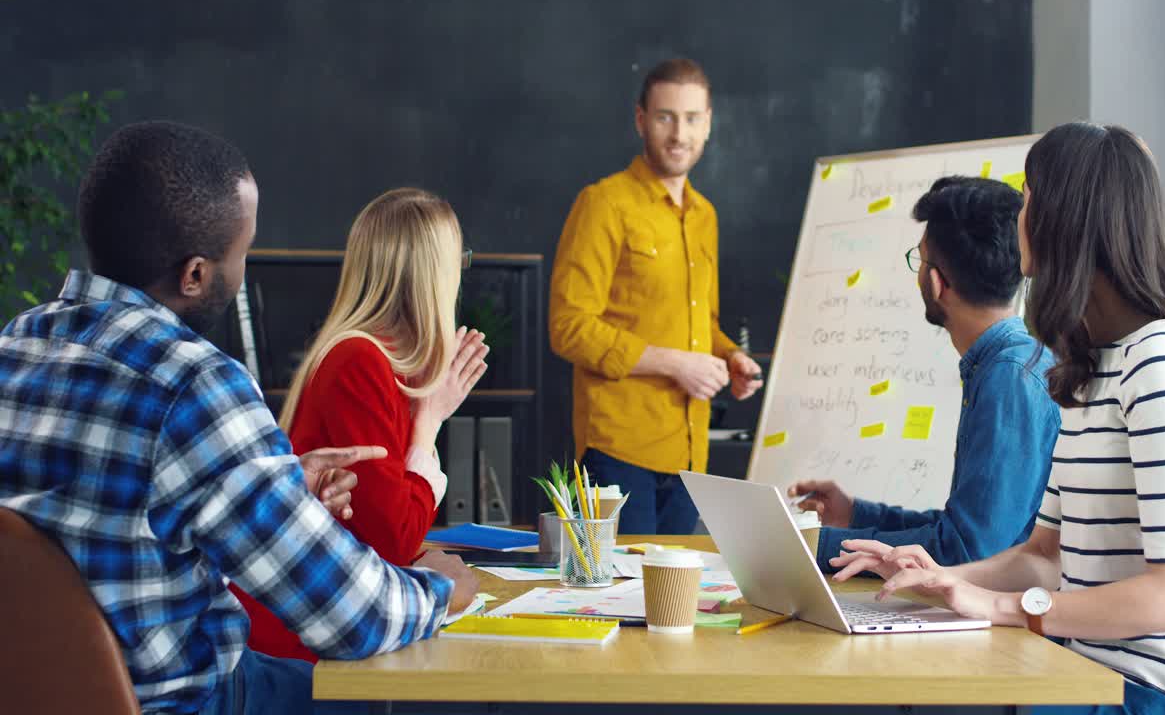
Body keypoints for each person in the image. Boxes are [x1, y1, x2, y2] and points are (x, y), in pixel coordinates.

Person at [0, 121, 478, 715]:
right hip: (185, 701)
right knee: (369, 700)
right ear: (195, 274)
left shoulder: (17, 345)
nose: (242, 270)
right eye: (242, 251)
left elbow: (87, 514)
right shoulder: (197, 384)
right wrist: (442, 590)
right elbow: (358, 617)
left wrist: (274, 482)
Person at [832, 123, 1165, 715]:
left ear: (1060, 219)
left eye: (1027, 198)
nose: (1019, 215)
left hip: (1152, 697)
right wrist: (949, 582)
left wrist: (1002, 607)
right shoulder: (1090, 367)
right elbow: (1045, 557)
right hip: (1085, 673)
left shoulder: (1164, 365)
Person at [230, 188, 489, 663]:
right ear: (435, 274)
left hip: (332, 622)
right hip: (299, 646)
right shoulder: (360, 362)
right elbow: (395, 540)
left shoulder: (381, 361)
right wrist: (428, 424)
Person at [788, 176, 1060, 568]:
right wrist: (856, 516)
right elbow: (962, 532)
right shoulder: (1004, 365)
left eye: (919, 258)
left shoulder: (1010, 377)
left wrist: (812, 547)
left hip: (1011, 626)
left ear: (936, 283)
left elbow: (966, 551)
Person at [549, 58, 762, 535]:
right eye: (665, 117)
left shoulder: (704, 215)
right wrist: (676, 364)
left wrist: (728, 356)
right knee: (620, 606)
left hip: (689, 450)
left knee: (673, 607)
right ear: (641, 119)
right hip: (619, 450)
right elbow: (569, 327)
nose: (678, 134)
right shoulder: (604, 204)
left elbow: (698, 322)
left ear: (708, 123)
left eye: (691, 118)